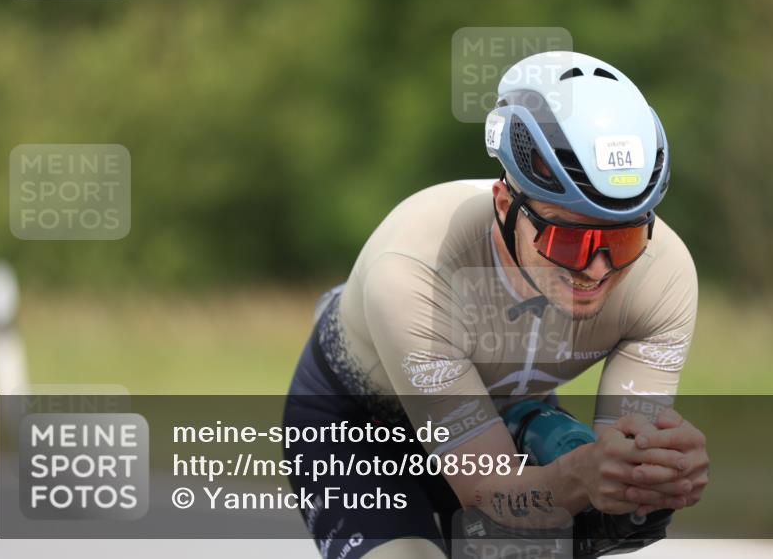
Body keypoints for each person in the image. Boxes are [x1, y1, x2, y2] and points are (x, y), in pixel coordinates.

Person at [284, 51, 709, 559]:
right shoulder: (415, 269)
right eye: (569, 243)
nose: (597, 269)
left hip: (506, 414)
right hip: (359, 429)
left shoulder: (663, 273)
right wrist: (580, 479)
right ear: (506, 207)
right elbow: (488, 493)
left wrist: (651, 482)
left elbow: (617, 477)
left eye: (622, 243)